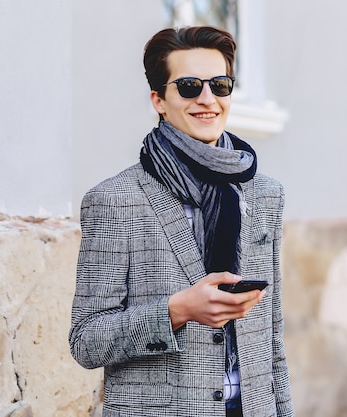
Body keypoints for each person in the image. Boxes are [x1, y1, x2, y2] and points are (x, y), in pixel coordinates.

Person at [69, 26, 294, 417]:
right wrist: (179, 310)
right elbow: (87, 341)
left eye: (220, 85)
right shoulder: (115, 200)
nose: (207, 99)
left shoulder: (264, 194)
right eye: (189, 86)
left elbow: (272, 339)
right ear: (158, 99)